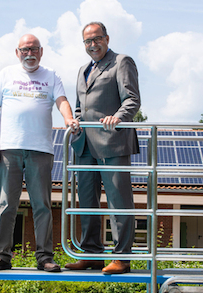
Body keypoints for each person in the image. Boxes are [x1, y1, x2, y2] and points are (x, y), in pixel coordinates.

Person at [0, 34, 78, 273]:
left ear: (41, 52)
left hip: (40, 150)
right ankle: (2, 256)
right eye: (25, 50)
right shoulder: (6, 74)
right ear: (17, 52)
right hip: (9, 149)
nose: (29, 53)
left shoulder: (51, 75)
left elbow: (62, 101)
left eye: (34, 49)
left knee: (42, 205)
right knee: (6, 205)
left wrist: (68, 118)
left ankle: (45, 257)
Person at [65, 22, 140, 274]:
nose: (92, 45)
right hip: (84, 144)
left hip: (112, 141)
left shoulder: (121, 61)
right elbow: (80, 106)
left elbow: (132, 99)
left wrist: (118, 117)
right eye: (87, 41)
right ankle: (91, 253)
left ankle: (122, 257)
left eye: (97, 39)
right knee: (87, 201)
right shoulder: (82, 70)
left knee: (118, 201)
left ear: (107, 38)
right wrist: (75, 121)